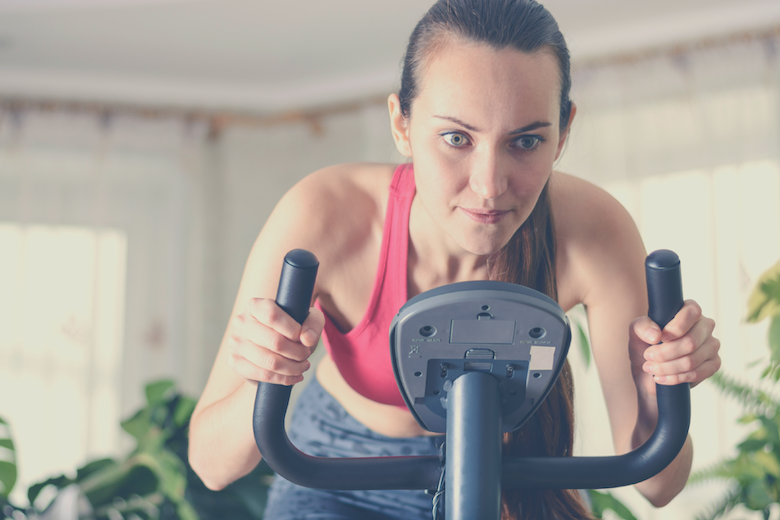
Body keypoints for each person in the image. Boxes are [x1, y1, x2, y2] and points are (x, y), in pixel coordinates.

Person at [188, 0, 721, 519]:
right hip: (340, 471)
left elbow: (658, 484)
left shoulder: (595, 231)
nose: (489, 186)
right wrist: (268, 374)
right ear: (401, 124)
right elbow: (211, 466)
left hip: (505, 473)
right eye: (455, 137)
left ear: (562, 135)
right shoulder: (323, 215)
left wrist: (657, 394)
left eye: (527, 141)